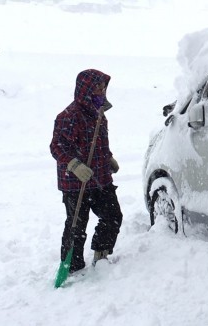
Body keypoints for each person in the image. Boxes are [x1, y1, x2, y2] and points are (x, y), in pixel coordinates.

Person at [50, 69, 123, 273]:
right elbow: (57, 146)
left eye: (103, 86)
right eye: (97, 86)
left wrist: (108, 158)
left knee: (113, 216)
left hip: (100, 179)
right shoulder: (69, 116)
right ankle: (71, 266)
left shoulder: (99, 115)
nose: (101, 90)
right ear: (86, 89)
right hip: (76, 183)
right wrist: (74, 166)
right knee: (76, 227)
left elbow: (97, 143)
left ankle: (101, 253)